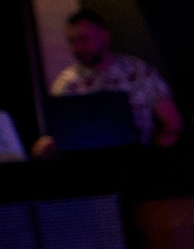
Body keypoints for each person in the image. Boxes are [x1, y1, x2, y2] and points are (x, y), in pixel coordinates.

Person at [42, 9, 182, 149]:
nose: (78, 48)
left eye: (84, 39)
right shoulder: (66, 83)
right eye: (72, 41)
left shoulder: (138, 71)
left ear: (104, 36)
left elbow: (173, 123)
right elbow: (59, 135)